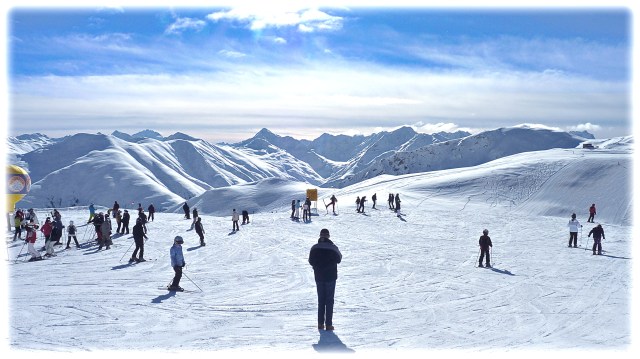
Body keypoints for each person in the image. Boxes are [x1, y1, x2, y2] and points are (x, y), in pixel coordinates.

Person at [308, 228, 342, 331]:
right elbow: (339, 259)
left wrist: (317, 266)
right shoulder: (333, 248)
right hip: (330, 276)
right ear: (328, 236)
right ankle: (328, 324)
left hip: (318, 276)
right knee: (329, 300)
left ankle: (320, 324)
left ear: (320, 236)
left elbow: (310, 261)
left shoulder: (314, 248)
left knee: (321, 300)